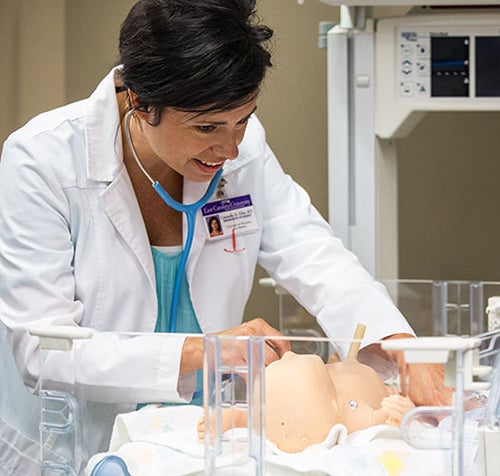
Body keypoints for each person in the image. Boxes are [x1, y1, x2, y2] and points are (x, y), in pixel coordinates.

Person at [0, 0, 447, 473]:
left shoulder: (239, 147)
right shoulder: (41, 160)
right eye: (207, 128)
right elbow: (43, 351)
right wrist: (203, 349)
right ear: (139, 102)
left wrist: (400, 343)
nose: (230, 148)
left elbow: (313, 252)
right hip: (68, 443)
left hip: (198, 443)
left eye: (244, 119)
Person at [197, 351, 415, 453]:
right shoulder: (350, 413)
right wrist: (402, 411)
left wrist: (226, 418)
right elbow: (382, 415)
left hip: (346, 364)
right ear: (335, 404)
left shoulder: (265, 416)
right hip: (376, 383)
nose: (289, 353)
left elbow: (246, 415)